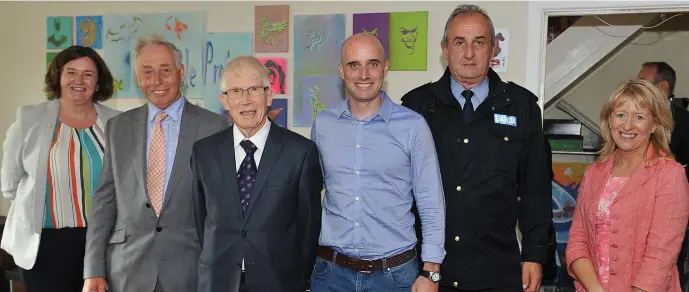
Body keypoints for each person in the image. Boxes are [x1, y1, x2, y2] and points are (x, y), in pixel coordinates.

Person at [401, 4, 551, 292]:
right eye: (460, 42)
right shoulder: (415, 107)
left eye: (479, 42)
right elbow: (399, 190)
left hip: (496, 271)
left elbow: (535, 188)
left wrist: (534, 254)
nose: (469, 53)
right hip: (428, 272)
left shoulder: (523, 107)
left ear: (493, 48)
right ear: (445, 49)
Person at [82, 34, 229, 292]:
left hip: (189, 269)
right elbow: (104, 202)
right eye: (147, 72)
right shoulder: (118, 127)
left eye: (165, 70)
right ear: (138, 78)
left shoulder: (213, 126)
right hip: (127, 270)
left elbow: (221, 206)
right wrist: (93, 269)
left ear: (181, 72)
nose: (156, 81)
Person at [310, 33, 446, 291]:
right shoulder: (323, 125)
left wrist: (431, 272)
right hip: (331, 276)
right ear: (341, 71)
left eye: (372, 64)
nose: (363, 74)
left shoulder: (413, 126)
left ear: (386, 68)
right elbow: (307, 195)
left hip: (395, 277)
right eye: (354, 65)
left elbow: (431, 203)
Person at [191, 55, 323, 292]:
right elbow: (202, 219)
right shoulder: (204, 152)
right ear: (224, 101)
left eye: (254, 89)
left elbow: (308, 228)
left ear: (269, 96)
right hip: (217, 281)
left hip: (279, 282)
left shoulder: (300, 152)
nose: (245, 100)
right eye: (236, 91)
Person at [0, 45, 120, 292]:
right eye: (71, 72)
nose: (79, 80)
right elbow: (10, 183)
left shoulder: (117, 122)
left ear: (98, 81)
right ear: (58, 77)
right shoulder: (29, 118)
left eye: (88, 74)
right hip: (45, 244)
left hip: (101, 241)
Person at [565, 79, 689, 292]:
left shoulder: (669, 174)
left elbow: (660, 259)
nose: (627, 125)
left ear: (655, 124)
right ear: (609, 120)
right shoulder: (594, 173)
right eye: (620, 115)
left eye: (639, 117)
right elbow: (577, 241)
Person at [637, 61, 689, 291]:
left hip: (673, 221)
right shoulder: (632, 119)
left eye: (643, 82)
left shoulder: (686, 123)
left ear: (662, 86)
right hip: (635, 215)